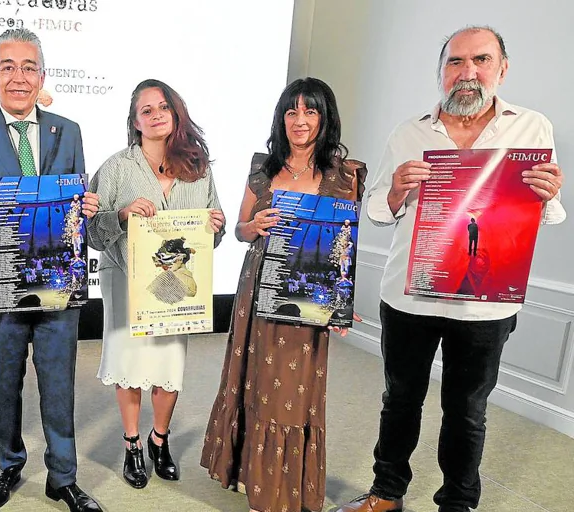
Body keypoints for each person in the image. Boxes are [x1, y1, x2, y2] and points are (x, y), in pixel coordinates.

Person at [333, 26, 565, 512]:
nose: (467, 73)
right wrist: (396, 190)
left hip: (485, 303)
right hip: (409, 295)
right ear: (442, 72)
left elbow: (543, 211)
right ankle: (386, 493)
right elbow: (376, 207)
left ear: (502, 68)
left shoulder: (532, 128)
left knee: (467, 411)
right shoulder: (409, 132)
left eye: (480, 60)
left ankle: (457, 504)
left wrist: (547, 197)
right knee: (400, 400)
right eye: (455, 62)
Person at [0, 28, 103, 512]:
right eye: (9, 67)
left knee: (59, 382)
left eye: (29, 67)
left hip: (58, 279)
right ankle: (9, 462)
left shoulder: (69, 129)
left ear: (42, 75)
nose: (19, 77)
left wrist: (88, 207)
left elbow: (75, 201)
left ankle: (63, 476)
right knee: (6, 381)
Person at [201, 77, 366, 512]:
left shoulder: (343, 175)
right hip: (258, 289)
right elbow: (239, 228)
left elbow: (344, 246)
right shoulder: (263, 167)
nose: (300, 120)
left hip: (307, 296)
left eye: (309, 111)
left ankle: (282, 486)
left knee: (293, 388)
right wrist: (251, 227)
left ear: (324, 117)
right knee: (255, 380)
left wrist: (341, 305)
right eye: (292, 111)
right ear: (281, 118)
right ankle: (250, 477)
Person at [85, 79, 225, 489]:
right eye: (146, 110)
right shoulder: (114, 168)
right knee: (129, 366)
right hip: (125, 279)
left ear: (175, 112)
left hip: (176, 289)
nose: (156, 114)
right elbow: (91, 234)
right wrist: (123, 214)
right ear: (135, 121)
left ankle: (158, 439)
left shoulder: (199, 167)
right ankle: (131, 444)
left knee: (168, 367)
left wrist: (214, 227)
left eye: (163, 106)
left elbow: (211, 232)